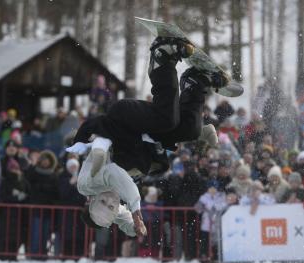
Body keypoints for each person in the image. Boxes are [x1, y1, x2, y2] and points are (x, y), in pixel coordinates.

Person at [69, 36, 226, 177]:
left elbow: (93, 127)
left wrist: (79, 141)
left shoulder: (109, 154)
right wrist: (201, 133)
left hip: (123, 116)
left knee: (166, 119)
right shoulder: (139, 165)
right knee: (189, 129)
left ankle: (161, 59)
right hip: (150, 132)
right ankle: (194, 84)